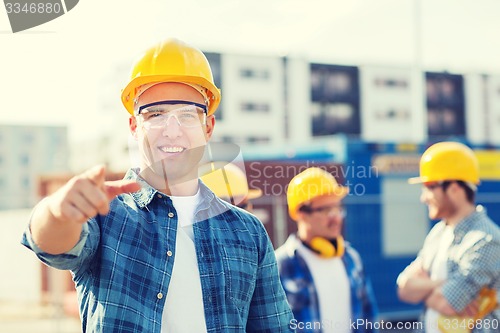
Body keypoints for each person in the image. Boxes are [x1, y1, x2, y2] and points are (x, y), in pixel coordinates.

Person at [21, 38, 294, 332]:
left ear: (209, 127)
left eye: (188, 115)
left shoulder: (248, 232)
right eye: (155, 114)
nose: (172, 130)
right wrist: (58, 212)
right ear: (134, 127)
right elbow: (51, 246)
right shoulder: (105, 214)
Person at [397, 141, 500, 333]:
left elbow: (446, 304)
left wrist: (423, 289)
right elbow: (404, 288)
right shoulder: (438, 233)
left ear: (454, 188)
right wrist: (442, 284)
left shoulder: (487, 240)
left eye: (429, 186)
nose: (423, 197)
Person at [275, 167, 378, 333]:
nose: (336, 217)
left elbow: (369, 318)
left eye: (337, 208)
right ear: (301, 213)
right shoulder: (280, 265)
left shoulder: (351, 258)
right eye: (325, 210)